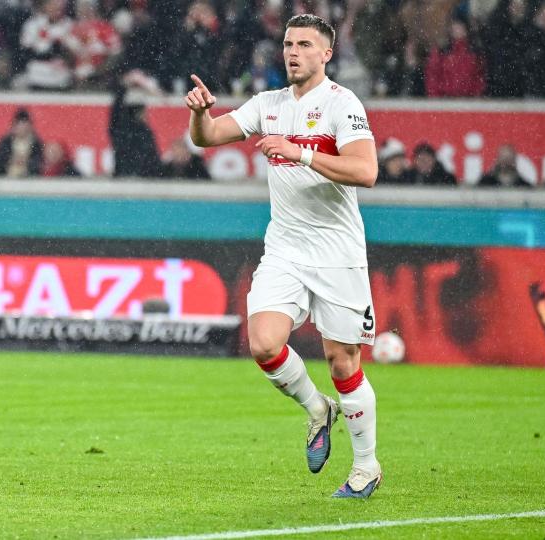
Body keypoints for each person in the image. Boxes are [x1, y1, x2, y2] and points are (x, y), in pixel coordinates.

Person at [186, 14, 382, 498]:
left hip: (338, 254)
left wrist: (301, 154)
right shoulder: (267, 104)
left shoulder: (342, 104)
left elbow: (366, 171)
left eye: (305, 44)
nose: (292, 52)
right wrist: (200, 112)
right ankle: (318, 409)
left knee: (342, 361)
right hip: (285, 251)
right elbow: (208, 137)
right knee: (264, 344)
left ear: (326, 54)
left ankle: (366, 467)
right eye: (289, 43)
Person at [109, 69, 164, 178]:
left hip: (125, 177)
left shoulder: (122, 130)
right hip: (139, 179)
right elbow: (153, 160)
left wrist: (122, 90)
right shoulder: (141, 133)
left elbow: (115, 116)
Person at [0, 108, 43, 177]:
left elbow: (39, 164)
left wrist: (27, 163)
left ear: (29, 126)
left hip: (29, 181)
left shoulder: (36, 144)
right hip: (6, 179)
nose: (21, 128)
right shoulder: (5, 143)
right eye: (19, 124)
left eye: (24, 124)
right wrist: (10, 161)